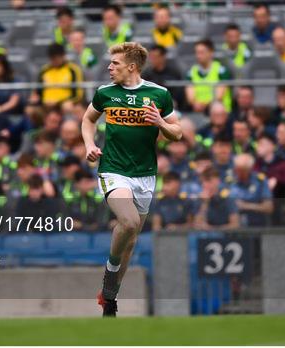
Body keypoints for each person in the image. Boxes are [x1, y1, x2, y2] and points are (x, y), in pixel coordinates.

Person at [81, 42, 183, 316]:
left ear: (131, 66)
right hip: (113, 169)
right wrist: (89, 145)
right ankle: (109, 275)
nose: (109, 67)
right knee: (128, 221)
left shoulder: (158, 94)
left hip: (145, 175)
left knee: (131, 240)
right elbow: (88, 120)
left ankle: (110, 297)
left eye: (115, 63)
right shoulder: (105, 93)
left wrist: (160, 123)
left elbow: (178, 133)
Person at [185, 39, 231, 113]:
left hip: (221, 112)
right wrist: (195, 103)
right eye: (197, 52)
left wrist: (204, 105)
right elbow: (190, 98)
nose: (198, 56)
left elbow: (219, 96)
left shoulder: (221, 71)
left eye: (202, 52)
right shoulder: (191, 72)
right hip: (198, 111)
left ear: (211, 53)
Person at [30, 43, 84, 107]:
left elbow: (78, 94)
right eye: (51, 58)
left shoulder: (73, 70)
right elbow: (37, 90)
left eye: (56, 58)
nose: (54, 61)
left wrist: (59, 102)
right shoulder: (44, 70)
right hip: (46, 104)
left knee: (67, 107)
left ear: (63, 56)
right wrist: (36, 98)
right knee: (30, 110)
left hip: (64, 103)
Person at [230, 153, 273, 227]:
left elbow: (269, 208)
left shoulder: (260, 181)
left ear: (249, 169)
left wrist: (246, 206)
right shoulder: (229, 181)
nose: (238, 172)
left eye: (242, 170)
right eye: (237, 169)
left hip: (257, 226)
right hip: (235, 227)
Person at [142, 44, 185, 109]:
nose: (152, 60)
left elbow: (179, 91)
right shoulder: (146, 74)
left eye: (155, 57)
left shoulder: (174, 73)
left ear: (163, 57)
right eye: (151, 57)